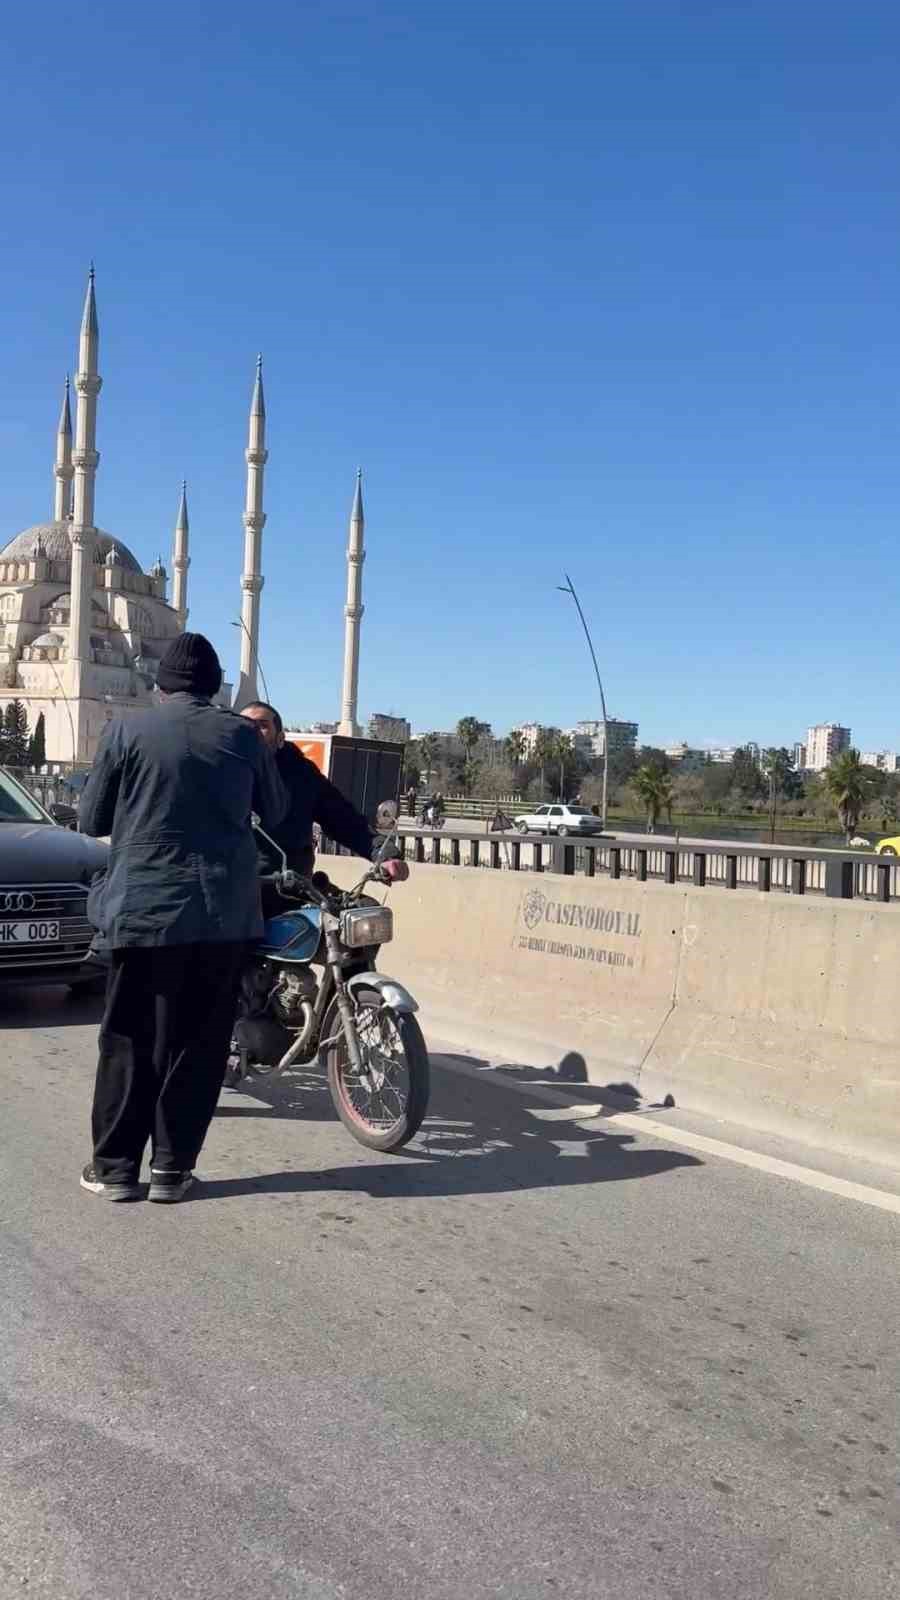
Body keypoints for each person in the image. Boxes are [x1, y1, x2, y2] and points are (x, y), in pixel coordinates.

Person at [78, 633, 287, 1204]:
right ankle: (173, 1170)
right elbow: (276, 810)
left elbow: (92, 817)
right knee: (199, 1043)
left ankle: (116, 1170)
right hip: (222, 917)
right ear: (213, 686)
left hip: (141, 911)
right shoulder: (244, 734)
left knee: (128, 1038)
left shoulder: (127, 729)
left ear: (160, 685)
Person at [239, 702, 408, 900]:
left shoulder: (301, 775)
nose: (252, 730)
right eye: (244, 724)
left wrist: (383, 853)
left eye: (262, 725)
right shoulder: (219, 773)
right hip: (232, 892)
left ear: (280, 738)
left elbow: (342, 818)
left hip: (289, 892)